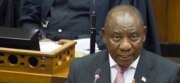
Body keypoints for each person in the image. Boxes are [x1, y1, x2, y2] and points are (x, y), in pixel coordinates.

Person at [19, 0, 161, 54]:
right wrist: (39, 39)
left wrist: (76, 45)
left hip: (91, 53)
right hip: (44, 51)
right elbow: (28, 17)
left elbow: (121, 31)